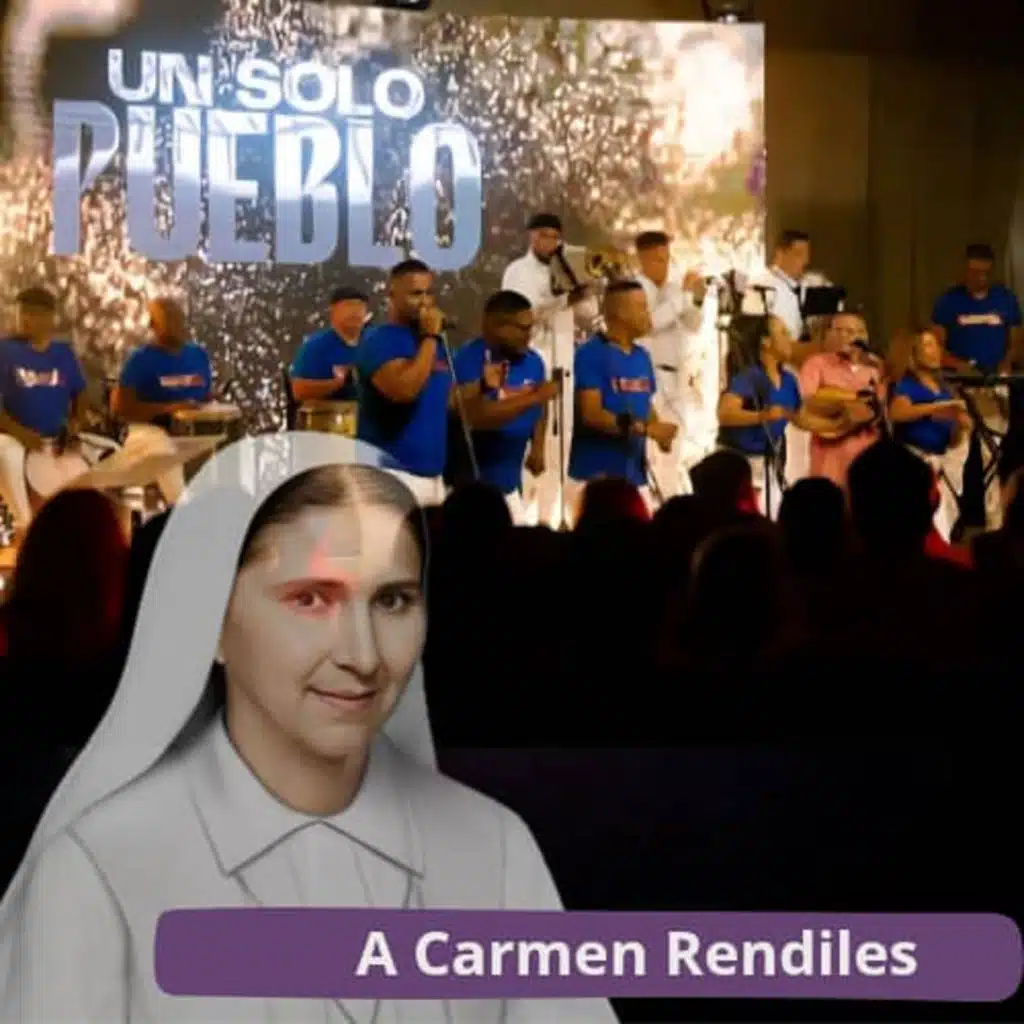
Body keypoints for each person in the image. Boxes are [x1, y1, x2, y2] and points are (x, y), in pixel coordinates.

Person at [0, 433, 617, 1024]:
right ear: (212, 624)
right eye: (310, 601)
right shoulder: (95, 873)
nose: (362, 654)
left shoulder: (496, 849)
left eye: (391, 601)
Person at [502, 213, 596, 527]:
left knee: (561, 445)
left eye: (556, 237)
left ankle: (551, 520)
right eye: (545, 235)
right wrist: (564, 299)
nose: (551, 242)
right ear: (532, 237)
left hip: (563, 366)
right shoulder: (518, 270)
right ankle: (525, 522)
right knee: (533, 443)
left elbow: (589, 313)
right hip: (531, 364)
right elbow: (524, 313)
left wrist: (582, 287)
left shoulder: (565, 268)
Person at [930, 243, 1023, 530]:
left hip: (994, 387)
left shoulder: (1005, 300)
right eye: (973, 272)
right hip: (959, 387)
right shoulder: (948, 302)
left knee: (991, 455)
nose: (978, 279)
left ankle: (994, 524)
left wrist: (1004, 366)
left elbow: (1016, 343)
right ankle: (947, 522)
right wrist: (961, 365)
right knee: (955, 455)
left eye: (984, 273)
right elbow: (934, 347)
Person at [566, 280, 675, 516]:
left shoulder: (642, 356)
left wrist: (660, 432)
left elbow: (645, 401)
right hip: (595, 480)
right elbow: (592, 414)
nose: (648, 314)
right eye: (641, 307)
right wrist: (647, 429)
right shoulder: (590, 353)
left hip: (634, 478)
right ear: (621, 313)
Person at [355, 259, 457, 506]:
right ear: (391, 295)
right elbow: (405, 390)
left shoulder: (435, 345)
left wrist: (484, 386)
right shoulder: (379, 340)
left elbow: (449, 401)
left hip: (434, 478)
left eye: (429, 293)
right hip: (390, 476)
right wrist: (430, 336)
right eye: (415, 294)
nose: (425, 302)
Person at [453, 290, 559, 523]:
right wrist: (533, 398)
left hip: (511, 485)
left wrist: (538, 446)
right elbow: (477, 418)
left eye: (531, 327)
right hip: (473, 490)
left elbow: (541, 405)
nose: (529, 336)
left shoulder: (534, 361)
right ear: (494, 326)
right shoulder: (469, 360)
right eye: (522, 328)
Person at [717, 314, 837, 518]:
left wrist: (840, 425)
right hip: (739, 461)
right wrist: (761, 416)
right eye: (783, 333)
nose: (790, 339)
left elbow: (800, 418)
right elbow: (725, 413)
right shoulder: (751, 377)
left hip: (768, 462)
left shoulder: (789, 380)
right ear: (766, 342)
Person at [0, 287, 88, 538]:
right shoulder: (5, 351)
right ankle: (25, 526)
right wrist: (19, 432)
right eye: (21, 313)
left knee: (103, 458)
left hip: (54, 439)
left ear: (50, 318)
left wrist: (76, 422)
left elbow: (80, 393)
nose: (24, 319)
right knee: (7, 453)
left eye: (32, 313)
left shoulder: (63, 353)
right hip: (14, 437)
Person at [112, 296, 215, 505]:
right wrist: (168, 409)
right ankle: (181, 510)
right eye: (168, 319)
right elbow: (120, 408)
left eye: (177, 318)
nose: (176, 325)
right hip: (148, 431)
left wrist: (210, 404)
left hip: (191, 433)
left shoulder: (198, 355)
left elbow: (204, 395)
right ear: (153, 325)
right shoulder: (140, 360)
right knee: (164, 452)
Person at [634, 230, 706, 498]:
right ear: (642, 259)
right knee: (647, 448)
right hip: (648, 374)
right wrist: (683, 298)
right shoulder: (636, 289)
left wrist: (697, 299)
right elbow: (649, 323)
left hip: (676, 375)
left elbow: (694, 325)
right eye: (657, 260)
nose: (664, 266)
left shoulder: (675, 289)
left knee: (674, 449)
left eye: (666, 259)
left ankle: (670, 501)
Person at [888, 327, 972, 541]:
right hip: (917, 460)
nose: (935, 351)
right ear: (914, 352)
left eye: (936, 345)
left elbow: (954, 437)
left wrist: (961, 426)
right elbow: (897, 413)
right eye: (927, 345)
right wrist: (937, 408)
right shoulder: (907, 385)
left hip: (944, 459)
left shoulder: (944, 388)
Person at [798, 311, 885, 492]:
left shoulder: (874, 370)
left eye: (853, 331)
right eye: (840, 330)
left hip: (867, 455)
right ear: (829, 334)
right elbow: (805, 403)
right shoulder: (816, 364)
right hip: (830, 456)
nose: (846, 336)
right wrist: (847, 403)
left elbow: (879, 412)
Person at [289, 286, 368, 404]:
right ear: (333, 311)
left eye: (360, 307)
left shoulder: (374, 343)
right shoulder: (316, 346)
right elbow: (299, 392)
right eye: (349, 306)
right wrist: (339, 383)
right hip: (330, 412)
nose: (355, 312)